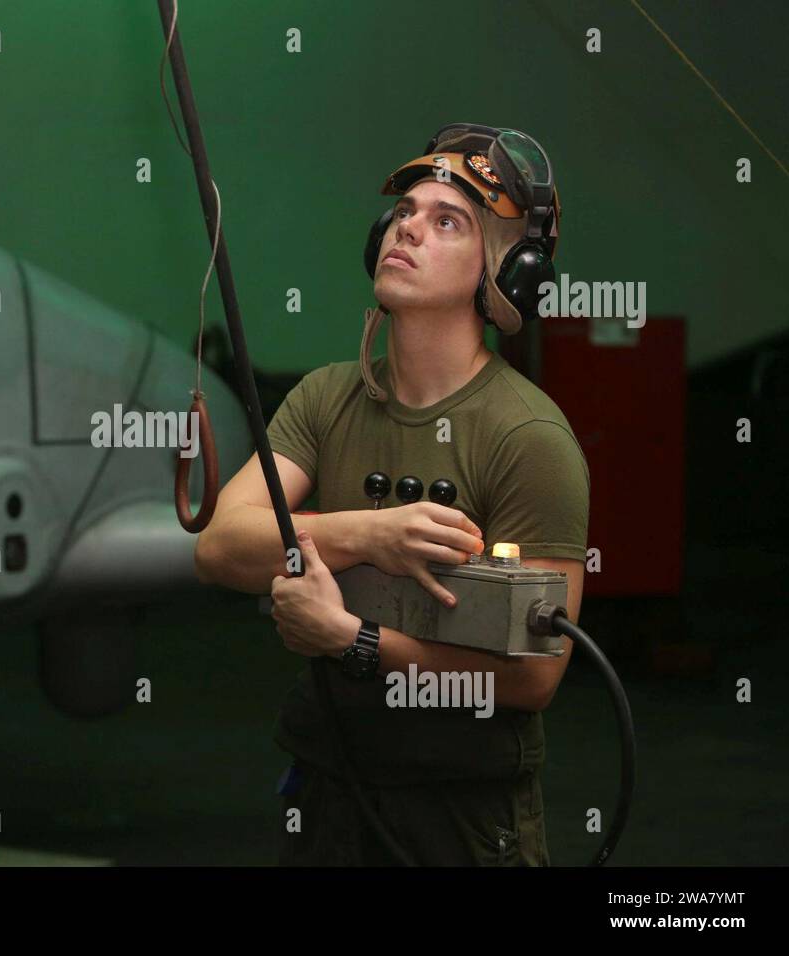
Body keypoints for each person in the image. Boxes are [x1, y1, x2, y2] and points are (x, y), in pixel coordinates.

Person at [193, 124, 589, 865]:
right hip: (328, 791)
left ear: (507, 274)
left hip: (459, 814)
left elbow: (535, 677)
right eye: (405, 213)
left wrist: (354, 642)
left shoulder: (529, 438)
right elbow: (219, 547)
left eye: (448, 222)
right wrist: (370, 536)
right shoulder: (326, 397)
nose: (410, 227)